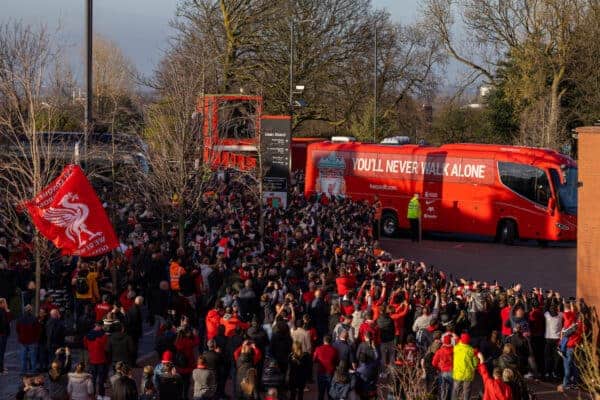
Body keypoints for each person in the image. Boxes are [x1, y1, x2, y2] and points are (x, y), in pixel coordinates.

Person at [83, 322, 109, 398]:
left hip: (92, 359)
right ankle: (101, 395)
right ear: (100, 326)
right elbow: (105, 347)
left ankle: (93, 395)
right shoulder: (103, 336)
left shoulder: (87, 336)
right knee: (101, 379)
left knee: (93, 379)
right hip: (101, 359)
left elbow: (86, 346)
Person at [451, 333, 478, 400]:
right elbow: (475, 363)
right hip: (467, 374)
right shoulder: (471, 350)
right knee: (467, 391)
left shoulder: (456, 348)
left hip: (458, 373)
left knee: (455, 390)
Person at [16, 304, 41, 374]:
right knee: (33, 357)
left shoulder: (20, 319)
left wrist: (20, 336)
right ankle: (33, 370)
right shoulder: (34, 319)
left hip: (23, 340)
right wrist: (36, 338)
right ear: (31, 310)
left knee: (23, 357)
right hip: (32, 340)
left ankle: (23, 371)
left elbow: (17, 329)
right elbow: (38, 330)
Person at [314, 335, 339, 400]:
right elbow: (337, 361)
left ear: (323, 341)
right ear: (330, 341)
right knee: (330, 393)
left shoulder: (318, 349)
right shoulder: (334, 350)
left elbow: (314, 359)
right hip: (330, 373)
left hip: (321, 372)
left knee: (321, 393)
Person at [432, 334, 454, 400]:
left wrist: (438, 366)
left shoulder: (440, 351)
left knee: (442, 388)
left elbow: (434, 363)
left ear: (443, 342)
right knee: (451, 388)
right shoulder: (454, 351)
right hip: (452, 372)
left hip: (442, 372)